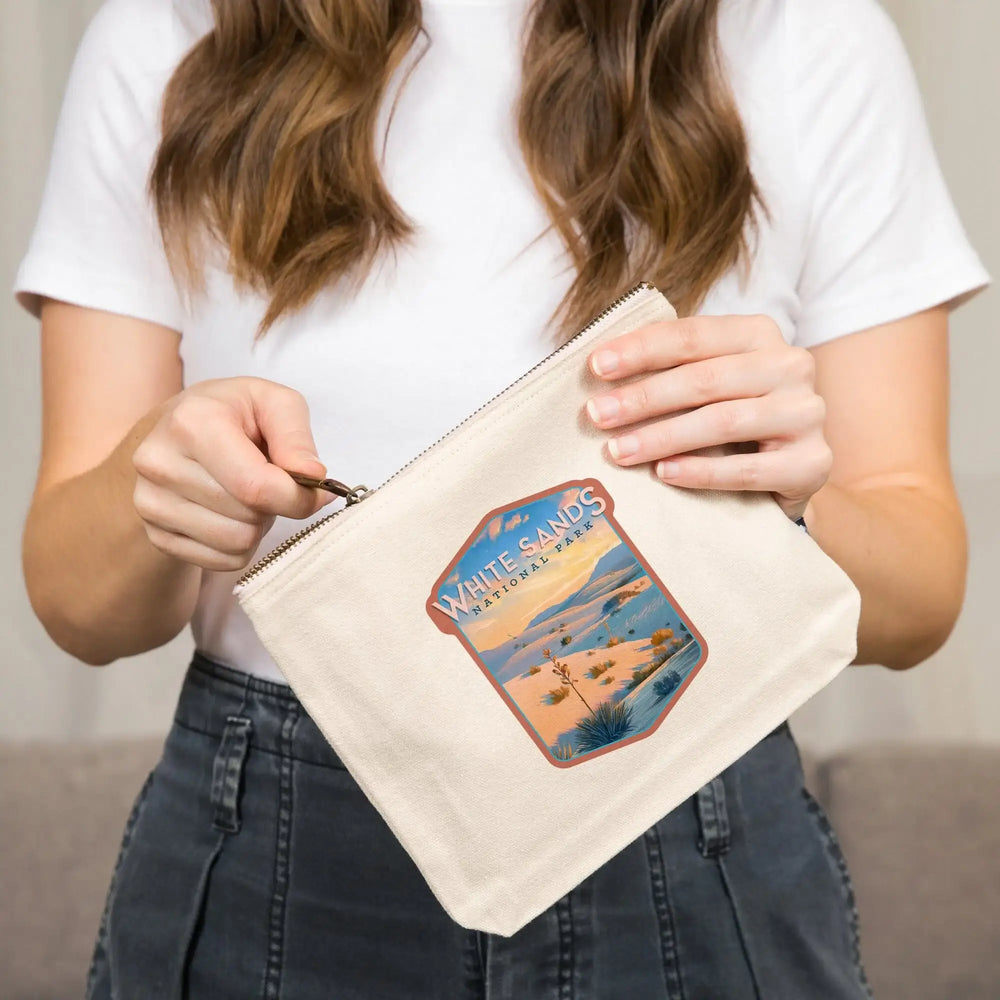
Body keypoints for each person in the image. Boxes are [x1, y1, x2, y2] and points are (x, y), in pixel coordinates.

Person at [12, 0, 990, 996]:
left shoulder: (806, 36)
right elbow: (78, 606)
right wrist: (159, 484)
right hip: (285, 832)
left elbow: (917, 598)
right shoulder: (170, 32)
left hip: (688, 787)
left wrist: (787, 503)